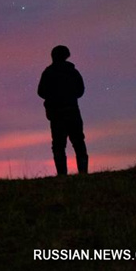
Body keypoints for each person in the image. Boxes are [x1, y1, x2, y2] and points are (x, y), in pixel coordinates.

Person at [37, 45, 88, 175]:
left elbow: (41, 92)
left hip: (57, 113)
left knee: (59, 145)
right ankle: (82, 172)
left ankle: (62, 175)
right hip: (71, 111)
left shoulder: (48, 72)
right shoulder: (72, 72)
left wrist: (54, 98)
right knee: (77, 141)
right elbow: (80, 90)